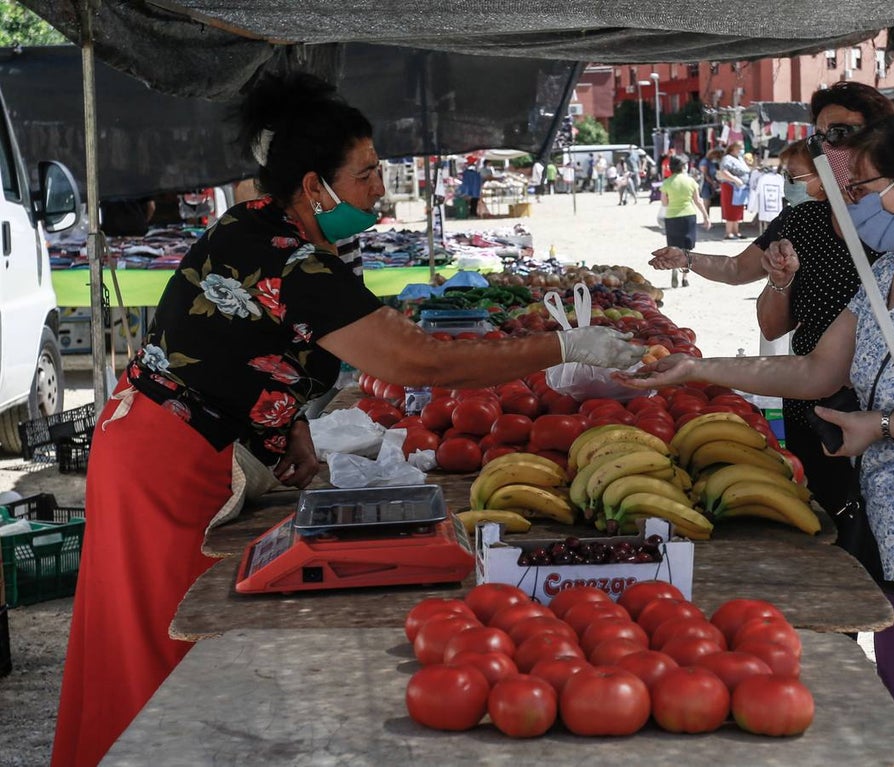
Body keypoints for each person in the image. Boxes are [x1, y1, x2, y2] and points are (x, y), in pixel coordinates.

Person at [50, 72, 643, 767]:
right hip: (163, 461)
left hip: (163, 441)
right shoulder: (293, 258)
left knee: (144, 634)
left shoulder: (263, 229)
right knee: (152, 646)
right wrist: (565, 346)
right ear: (314, 187)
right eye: (364, 176)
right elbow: (418, 361)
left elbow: (244, 344)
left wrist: (290, 420)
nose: (378, 192)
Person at [620, 111, 894, 767]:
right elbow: (815, 368)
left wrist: (881, 426)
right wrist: (698, 367)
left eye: (860, 189)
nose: (849, 203)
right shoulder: (889, 275)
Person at [660, 154, 711, 289]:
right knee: (687, 249)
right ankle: (685, 278)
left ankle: (674, 269)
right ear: (684, 166)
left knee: (673, 247)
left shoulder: (666, 182)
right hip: (688, 216)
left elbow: (664, 203)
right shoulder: (691, 182)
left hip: (671, 217)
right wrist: (706, 216)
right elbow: (698, 201)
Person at [716, 141, 750, 239]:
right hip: (730, 187)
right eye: (740, 148)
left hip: (740, 188)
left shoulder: (739, 158)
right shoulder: (727, 159)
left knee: (738, 209)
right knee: (731, 208)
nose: (741, 150)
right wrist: (735, 179)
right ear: (733, 149)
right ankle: (729, 232)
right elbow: (724, 171)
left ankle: (736, 231)